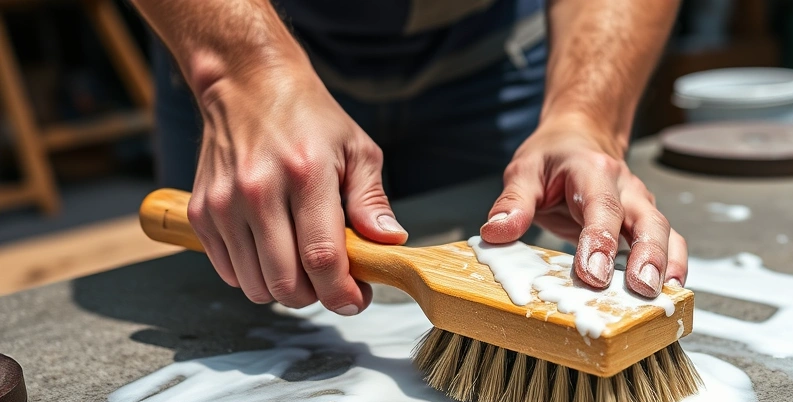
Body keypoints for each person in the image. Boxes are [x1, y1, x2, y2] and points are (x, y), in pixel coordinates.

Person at [133, 0, 689, 317]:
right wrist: (240, 70)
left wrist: (586, 116)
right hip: (238, 25)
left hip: (498, 52)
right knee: (233, 310)